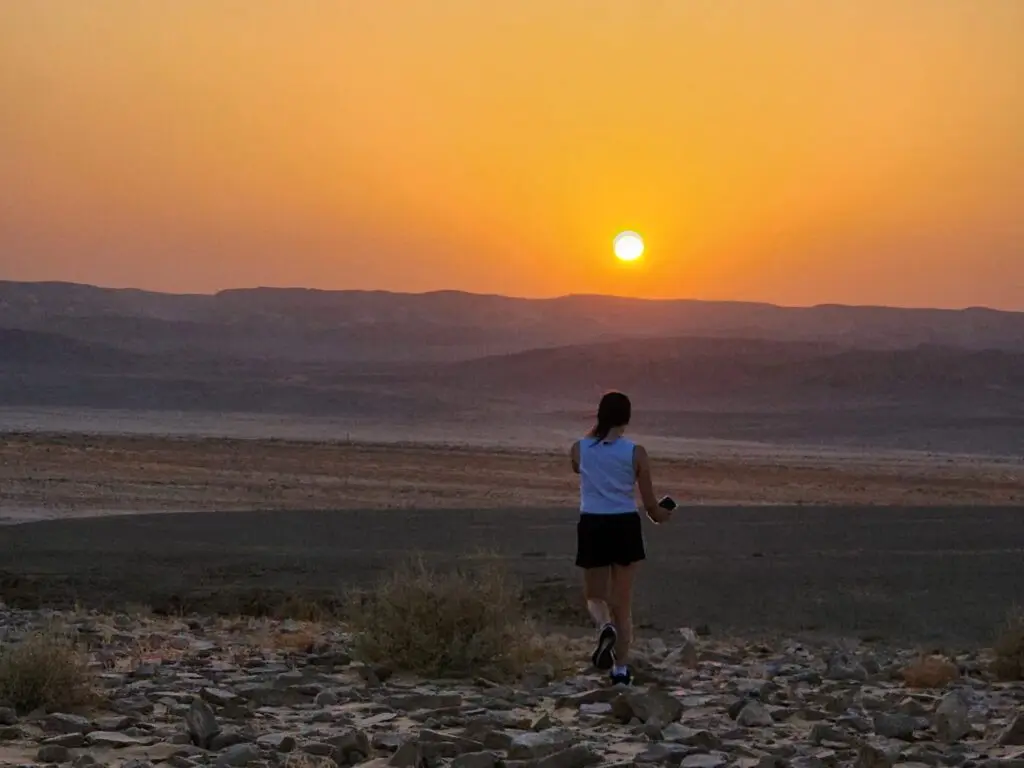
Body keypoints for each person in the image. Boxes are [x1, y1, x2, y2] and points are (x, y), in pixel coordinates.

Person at [570, 390, 672, 686]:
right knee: (622, 603)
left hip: (592, 523)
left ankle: (604, 627)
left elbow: (579, 467)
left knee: (594, 596)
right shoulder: (635, 452)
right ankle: (620, 670)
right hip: (625, 524)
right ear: (627, 417)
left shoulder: (579, 448)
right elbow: (652, 508)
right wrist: (664, 513)